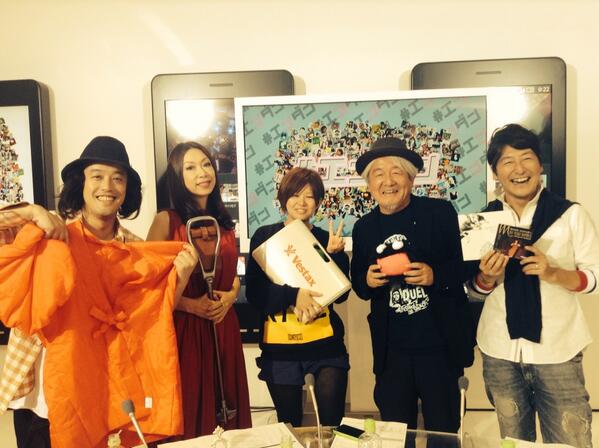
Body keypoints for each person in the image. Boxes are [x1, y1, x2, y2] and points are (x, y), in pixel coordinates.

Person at [0, 136, 198, 447]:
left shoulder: (136, 250)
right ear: (81, 183)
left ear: (126, 190)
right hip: (39, 398)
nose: (108, 186)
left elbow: (148, 318)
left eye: (118, 178)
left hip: (101, 392)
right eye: (97, 176)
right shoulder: (51, 235)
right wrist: (33, 212)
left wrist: (180, 277)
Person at [468, 124, 599, 448]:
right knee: (513, 442)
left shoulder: (570, 215)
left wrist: (554, 273)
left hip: (558, 350)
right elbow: (471, 291)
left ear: (540, 164)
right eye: (507, 161)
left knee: (570, 441)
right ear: (495, 172)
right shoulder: (483, 222)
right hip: (499, 349)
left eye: (526, 158)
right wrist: (486, 279)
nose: (519, 169)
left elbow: (595, 277)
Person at [350, 137, 474, 432]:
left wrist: (435, 275)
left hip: (440, 348)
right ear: (369, 184)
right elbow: (358, 283)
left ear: (411, 178)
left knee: (443, 432)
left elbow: (466, 266)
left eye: (397, 172)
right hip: (392, 352)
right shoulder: (364, 227)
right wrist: (367, 280)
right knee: (395, 434)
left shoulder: (440, 213)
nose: (388, 181)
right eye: (378, 174)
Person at [147, 141, 251, 438]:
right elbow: (149, 288)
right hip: (186, 330)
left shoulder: (224, 223)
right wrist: (192, 305)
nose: (202, 173)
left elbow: (230, 275)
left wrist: (230, 297)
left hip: (223, 326)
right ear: (177, 176)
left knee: (228, 412)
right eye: (190, 168)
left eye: (206, 164)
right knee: (191, 408)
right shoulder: (166, 221)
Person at [245, 167, 350, 427]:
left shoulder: (325, 238)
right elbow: (255, 293)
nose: (301, 202)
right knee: (289, 426)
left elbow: (341, 296)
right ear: (283, 197)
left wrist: (336, 255)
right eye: (295, 194)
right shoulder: (265, 236)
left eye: (309, 196)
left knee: (331, 426)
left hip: (325, 345)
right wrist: (295, 295)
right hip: (280, 348)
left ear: (318, 202)